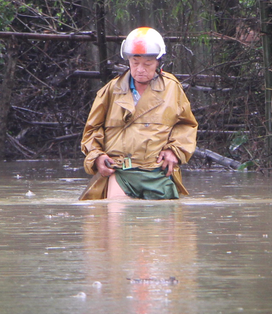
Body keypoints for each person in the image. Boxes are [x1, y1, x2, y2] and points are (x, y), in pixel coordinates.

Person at [80, 27, 198, 200]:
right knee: (114, 220)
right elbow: (91, 131)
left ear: (159, 62)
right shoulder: (111, 90)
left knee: (167, 224)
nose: (140, 69)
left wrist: (175, 151)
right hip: (120, 172)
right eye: (135, 63)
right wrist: (97, 156)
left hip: (158, 173)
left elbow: (187, 125)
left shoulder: (172, 88)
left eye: (147, 64)